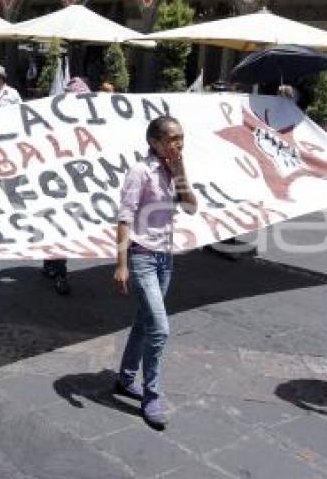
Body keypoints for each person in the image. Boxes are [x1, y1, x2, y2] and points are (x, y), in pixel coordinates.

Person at [113, 116, 197, 431]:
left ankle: (124, 378)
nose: (179, 144)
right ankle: (152, 395)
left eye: (181, 138)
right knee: (159, 329)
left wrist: (182, 173)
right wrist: (121, 264)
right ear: (155, 142)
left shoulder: (173, 172)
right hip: (142, 258)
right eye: (173, 139)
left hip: (165, 259)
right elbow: (124, 218)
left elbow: (191, 207)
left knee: (143, 322)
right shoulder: (140, 171)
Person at [42, 76, 92, 295]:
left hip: (78, 184)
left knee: (64, 227)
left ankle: (52, 263)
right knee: (59, 225)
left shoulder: (90, 121)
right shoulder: (55, 123)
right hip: (56, 184)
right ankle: (59, 271)